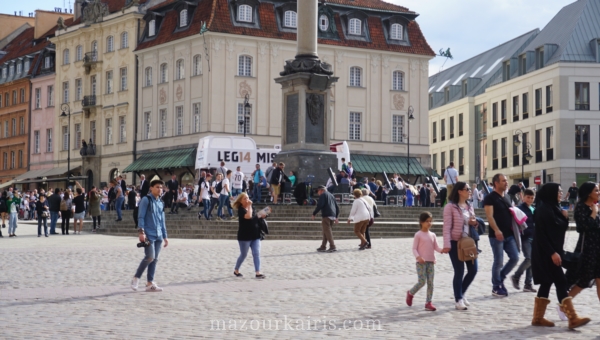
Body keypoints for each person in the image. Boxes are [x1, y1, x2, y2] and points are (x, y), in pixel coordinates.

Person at [530, 182, 590, 329]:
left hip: (553, 252)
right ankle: (573, 318)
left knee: (546, 282)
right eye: (558, 191)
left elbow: (558, 228)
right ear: (551, 193)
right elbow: (541, 236)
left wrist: (565, 218)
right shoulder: (543, 210)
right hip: (546, 253)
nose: (561, 193)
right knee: (561, 281)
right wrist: (552, 253)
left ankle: (538, 318)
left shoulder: (554, 208)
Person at [442, 182, 478, 310]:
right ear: (459, 191)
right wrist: (447, 244)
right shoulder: (450, 207)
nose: (469, 191)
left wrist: (474, 223)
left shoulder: (469, 206)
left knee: (473, 270)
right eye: (467, 189)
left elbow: (472, 222)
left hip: (469, 242)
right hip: (455, 242)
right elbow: (446, 227)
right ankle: (458, 299)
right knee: (459, 271)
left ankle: (461, 293)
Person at [484, 173, 519, 297]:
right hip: (496, 235)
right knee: (498, 261)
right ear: (496, 183)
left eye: (506, 180)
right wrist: (497, 230)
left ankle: (500, 277)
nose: (506, 182)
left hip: (509, 235)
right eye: (503, 180)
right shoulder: (490, 198)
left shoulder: (507, 197)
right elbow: (489, 216)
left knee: (515, 257)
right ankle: (496, 286)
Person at [565, 182, 600, 308]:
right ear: (588, 193)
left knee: (599, 280)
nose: (598, 193)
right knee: (584, 280)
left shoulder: (595, 206)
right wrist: (594, 212)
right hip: (587, 249)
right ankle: (564, 305)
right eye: (596, 190)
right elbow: (583, 227)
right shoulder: (581, 207)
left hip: (598, 248)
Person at [131, 179, 169, 292]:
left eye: (161, 187)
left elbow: (162, 221)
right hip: (148, 234)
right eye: (157, 187)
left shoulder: (161, 203)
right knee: (149, 257)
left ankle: (149, 283)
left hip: (158, 235)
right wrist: (141, 232)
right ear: (151, 188)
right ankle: (136, 277)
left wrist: (165, 236)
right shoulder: (146, 199)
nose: (160, 189)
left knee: (155, 259)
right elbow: (141, 216)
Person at [407, 211, 442, 311]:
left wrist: (443, 250)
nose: (429, 223)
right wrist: (418, 257)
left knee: (430, 282)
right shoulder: (418, 235)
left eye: (430, 221)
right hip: (421, 262)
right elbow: (414, 248)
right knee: (422, 282)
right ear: (421, 222)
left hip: (431, 262)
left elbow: (436, 247)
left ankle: (428, 302)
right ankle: (410, 293)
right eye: (427, 221)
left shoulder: (433, 235)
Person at [232, 193, 266, 279]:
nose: (247, 200)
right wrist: (249, 206)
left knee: (256, 253)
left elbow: (255, 217)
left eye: (248, 198)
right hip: (245, 236)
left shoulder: (252, 208)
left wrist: (263, 214)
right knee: (243, 254)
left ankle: (258, 272)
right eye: (245, 199)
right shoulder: (241, 210)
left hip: (255, 234)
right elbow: (248, 216)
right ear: (240, 201)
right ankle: (236, 269)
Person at [510, 189, 537, 293]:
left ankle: (528, 284)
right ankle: (516, 276)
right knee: (529, 258)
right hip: (525, 237)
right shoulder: (519, 208)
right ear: (523, 197)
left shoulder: (533, 209)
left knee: (532, 261)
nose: (530, 199)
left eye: (532, 198)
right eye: (528, 197)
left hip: (534, 237)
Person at [312, 185, 340, 252]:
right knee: (326, 231)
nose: (317, 193)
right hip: (332, 215)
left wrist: (314, 213)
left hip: (326, 215)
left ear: (321, 190)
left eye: (318, 191)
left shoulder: (323, 195)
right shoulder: (331, 195)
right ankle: (323, 246)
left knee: (327, 231)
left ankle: (332, 246)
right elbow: (337, 207)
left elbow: (320, 205)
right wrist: (336, 217)